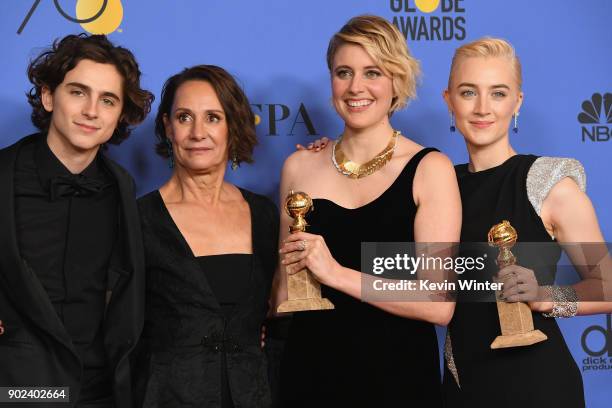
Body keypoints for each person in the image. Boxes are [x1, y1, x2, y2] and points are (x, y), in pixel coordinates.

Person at [275, 15, 461, 407]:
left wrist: (336, 274)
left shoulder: (430, 169)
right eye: (344, 72)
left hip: (399, 380)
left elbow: (439, 303)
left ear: (397, 80)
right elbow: (283, 291)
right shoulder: (299, 168)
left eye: (372, 72)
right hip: (310, 376)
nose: (356, 87)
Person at [439, 37, 611, 408]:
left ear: (517, 102)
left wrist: (546, 296)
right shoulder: (437, 183)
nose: (483, 108)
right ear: (448, 100)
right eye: (468, 92)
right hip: (463, 385)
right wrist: (328, 155)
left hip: (538, 385)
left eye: (498, 93)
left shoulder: (547, 183)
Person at [0, 34, 153, 407]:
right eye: (78, 92)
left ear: (120, 114)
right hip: (20, 390)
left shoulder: (122, 188)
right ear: (49, 96)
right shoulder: (3, 175)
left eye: (107, 100)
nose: (91, 111)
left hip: (102, 391)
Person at [135, 65, 278, 407]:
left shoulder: (264, 213)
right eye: (184, 117)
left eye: (213, 117)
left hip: (254, 395)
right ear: (168, 127)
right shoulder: (138, 219)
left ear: (233, 125)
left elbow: (280, 311)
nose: (198, 132)